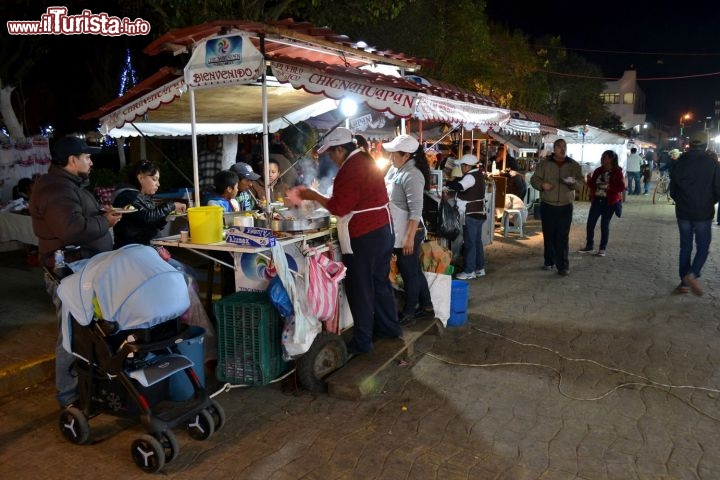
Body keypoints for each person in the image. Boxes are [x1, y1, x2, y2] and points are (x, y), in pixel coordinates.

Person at [29, 136, 122, 409]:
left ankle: (87, 386)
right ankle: (68, 396)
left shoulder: (69, 185)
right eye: (87, 157)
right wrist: (104, 221)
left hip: (83, 270)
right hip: (66, 273)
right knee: (69, 333)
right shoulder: (55, 189)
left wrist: (101, 214)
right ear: (72, 160)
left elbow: (80, 217)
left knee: (86, 331)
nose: (91, 161)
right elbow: (71, 229)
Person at [292, 127, 400, 356]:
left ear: (341, 149)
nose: (331, 158)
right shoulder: (364, 159)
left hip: (365, 234)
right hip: (383, 230)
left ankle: (363, 342)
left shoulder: (351, 168)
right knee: (380, 283)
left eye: (332, 153)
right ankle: (390, 328)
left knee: (360, 289)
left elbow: (339, 208)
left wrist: (312, 196)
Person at [383, 134, 434, 326]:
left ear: (406, 155)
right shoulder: (396, 170)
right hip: (398, 228)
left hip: (410, 230)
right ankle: (427, 306)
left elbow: (415, 211)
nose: (390, 158)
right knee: (413, 270)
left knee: (409, 272)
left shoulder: (413, 175)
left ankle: (410, 311)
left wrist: (409, 238)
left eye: (394, 154)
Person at [668, 131, 720, 295]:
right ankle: (692, 274)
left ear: (690, 146)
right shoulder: (712, 163)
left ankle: (683, 284)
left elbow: (673, 191)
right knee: (703, 246)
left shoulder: (680, 162)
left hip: (683, 211)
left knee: (685, 247)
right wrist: (710, 202)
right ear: (705, 146)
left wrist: (681, 201)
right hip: (703, 212)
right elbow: (718, 189)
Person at [530, 138, 585, 276]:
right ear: (554, 149)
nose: (562, 149)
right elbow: (534, 179)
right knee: (549, 235)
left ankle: (563, 266)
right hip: (548, 205)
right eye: (559, 146)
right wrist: (542, 185)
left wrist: (573, 183)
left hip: (565, 206)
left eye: (564, 146)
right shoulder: (545, 164)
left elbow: (581, 182)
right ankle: (549, 261)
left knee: (562, 236)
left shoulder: (573, 165)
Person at [111, 160, 187, 248]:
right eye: (154, 179)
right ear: (140, 178)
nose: (158, 184)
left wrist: (167, 217)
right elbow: (147, 217)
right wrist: (171, 205)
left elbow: (152, 225)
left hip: (147, 247)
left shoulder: (143, 197)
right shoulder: (127, 196)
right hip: (132, 250)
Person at [446, 154, 487, 280]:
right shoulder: (478, 174)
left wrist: (448, 183)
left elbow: (461, 186)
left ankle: (469, 271)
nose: (462, 168)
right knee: (477, 243)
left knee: (470, 243)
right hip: (479, 213)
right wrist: (453, 182)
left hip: (471, 214)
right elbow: (461, 183)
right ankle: (479, 268)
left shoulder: (470, 176)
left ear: (468, 166)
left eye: (463, 165)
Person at [577, 150, 625, 257]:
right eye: (602, 156)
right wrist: (588, 180)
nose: (602, 158)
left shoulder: (617, 171)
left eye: (605, 157)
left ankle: (602, 249)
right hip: (597, 200)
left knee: (604, 224)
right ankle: (589, 246)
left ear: (611, 159)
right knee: (590, 223)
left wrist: (609, 188)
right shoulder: (598, 170)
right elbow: (593, 185)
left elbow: (621, 187)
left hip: (609, 202)